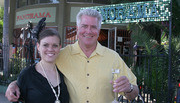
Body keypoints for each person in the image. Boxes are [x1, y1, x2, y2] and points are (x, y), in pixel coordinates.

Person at [6, 9, 139, 103]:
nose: (88, 31)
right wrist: (14, 84)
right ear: (77, 28)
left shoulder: (113, 57)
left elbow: (134, 94)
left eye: (93, 27)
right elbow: (38, 70)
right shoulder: (61, 54)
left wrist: (129, 88)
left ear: (99, 30)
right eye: (84, 26)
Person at [7, 28, 69, 103]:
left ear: (60, 47)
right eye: (45, 45)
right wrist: (12, 85)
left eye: (55, 45)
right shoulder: (27, 74)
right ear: (38, 46)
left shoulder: (64, 72)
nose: (50, 49)